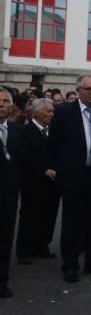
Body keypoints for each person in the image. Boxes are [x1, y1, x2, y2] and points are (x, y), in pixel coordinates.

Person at [50, 74, 91, 282]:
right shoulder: (64, 113)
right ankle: (70, 265)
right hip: (74, 176)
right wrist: (58, 170)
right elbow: (54, 144)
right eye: (89, 89)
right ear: (78, 91)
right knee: (72, 222)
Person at [14, 98, 58, 264]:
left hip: (52, 182)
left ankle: (42, 246)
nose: (51, 114)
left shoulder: (53, 131)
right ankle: (24, 250)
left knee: (48, 215)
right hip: (32, 182)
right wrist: (43, 170)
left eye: (52, 111)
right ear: (37, 112)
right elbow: (24, 156)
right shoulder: (24, 131)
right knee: (29, 216)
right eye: (48, 111)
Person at [0, 88, 23, 297]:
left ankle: (2, 280)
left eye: (5, 101)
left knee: (6, 238)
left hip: (8, 197)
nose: (1, 105)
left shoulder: (16, 132)